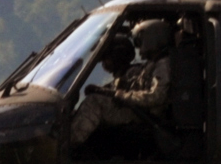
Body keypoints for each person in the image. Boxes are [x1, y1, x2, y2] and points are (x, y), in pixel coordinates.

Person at [66, 17, 176, 153]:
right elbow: (134, 84)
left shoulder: (163, 65)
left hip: (143, 115)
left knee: (94, 102)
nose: (139, 47)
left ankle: (69, 146)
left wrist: (123, 96)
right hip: (138, 110)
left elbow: (156, 97)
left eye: (141, 41)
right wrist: (104, 90)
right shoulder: (153, 64)